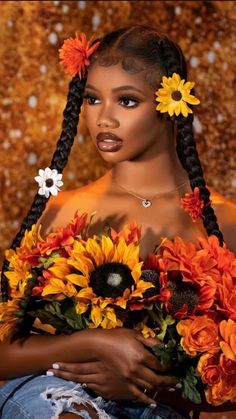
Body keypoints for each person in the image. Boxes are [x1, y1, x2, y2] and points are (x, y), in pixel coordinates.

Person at [0, 25, 236, 419]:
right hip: (58, 397)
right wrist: (95, 344)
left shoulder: (222, 220)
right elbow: (3, 350)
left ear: (170, 104)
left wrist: (155, 382)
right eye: (92, 99)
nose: (103, 118)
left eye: (127, 101)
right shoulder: (62, 209)